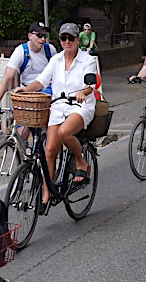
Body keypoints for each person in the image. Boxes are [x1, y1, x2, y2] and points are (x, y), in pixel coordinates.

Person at [19, 23, 97, 204]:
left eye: (71, 38)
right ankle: (47, 192)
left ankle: (81, 162)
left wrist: (82, 92)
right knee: (50, 151)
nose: (67, 41)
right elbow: (41, 81)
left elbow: (90, 86)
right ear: (60, 40)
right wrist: (24, 92)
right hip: (58, 107)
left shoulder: (87, 60)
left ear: (78, 40)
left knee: (64, 133)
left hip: (80, 107)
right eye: (64, 38)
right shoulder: (56, 60)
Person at [0, 22, 57, 139]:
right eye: (39, 35)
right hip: (27, 92)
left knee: (50, 131)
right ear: (30, 36)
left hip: (46, 92)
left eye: (45, 36)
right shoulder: (21, 51)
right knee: (21, 134)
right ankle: (22, 155)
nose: (43, 39)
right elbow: (7, 77)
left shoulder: (50, 50)